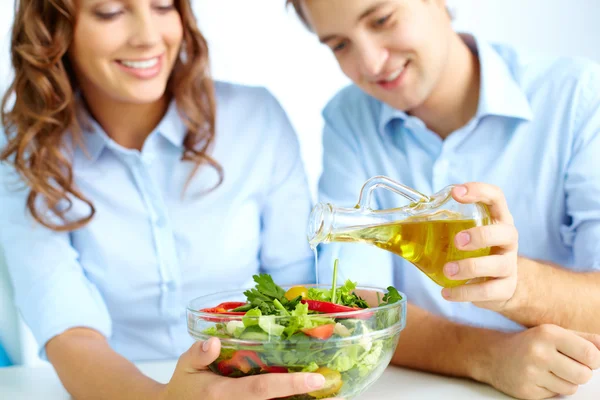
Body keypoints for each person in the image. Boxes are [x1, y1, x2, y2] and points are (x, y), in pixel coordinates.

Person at [0, 1, 333, 399]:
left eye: (163, 5)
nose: (148, 37)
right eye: (109, 11)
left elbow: (297, 286)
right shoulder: (24, 153)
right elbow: (69, 331)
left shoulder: (255, 119)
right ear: (54, 33)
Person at [287, 0, 600, 398]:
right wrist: (490, 356)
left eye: (382, 20)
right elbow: (361, 309)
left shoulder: (579, 99)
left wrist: (516, 285)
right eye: (339, 45)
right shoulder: (349, 119)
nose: (371, 63)